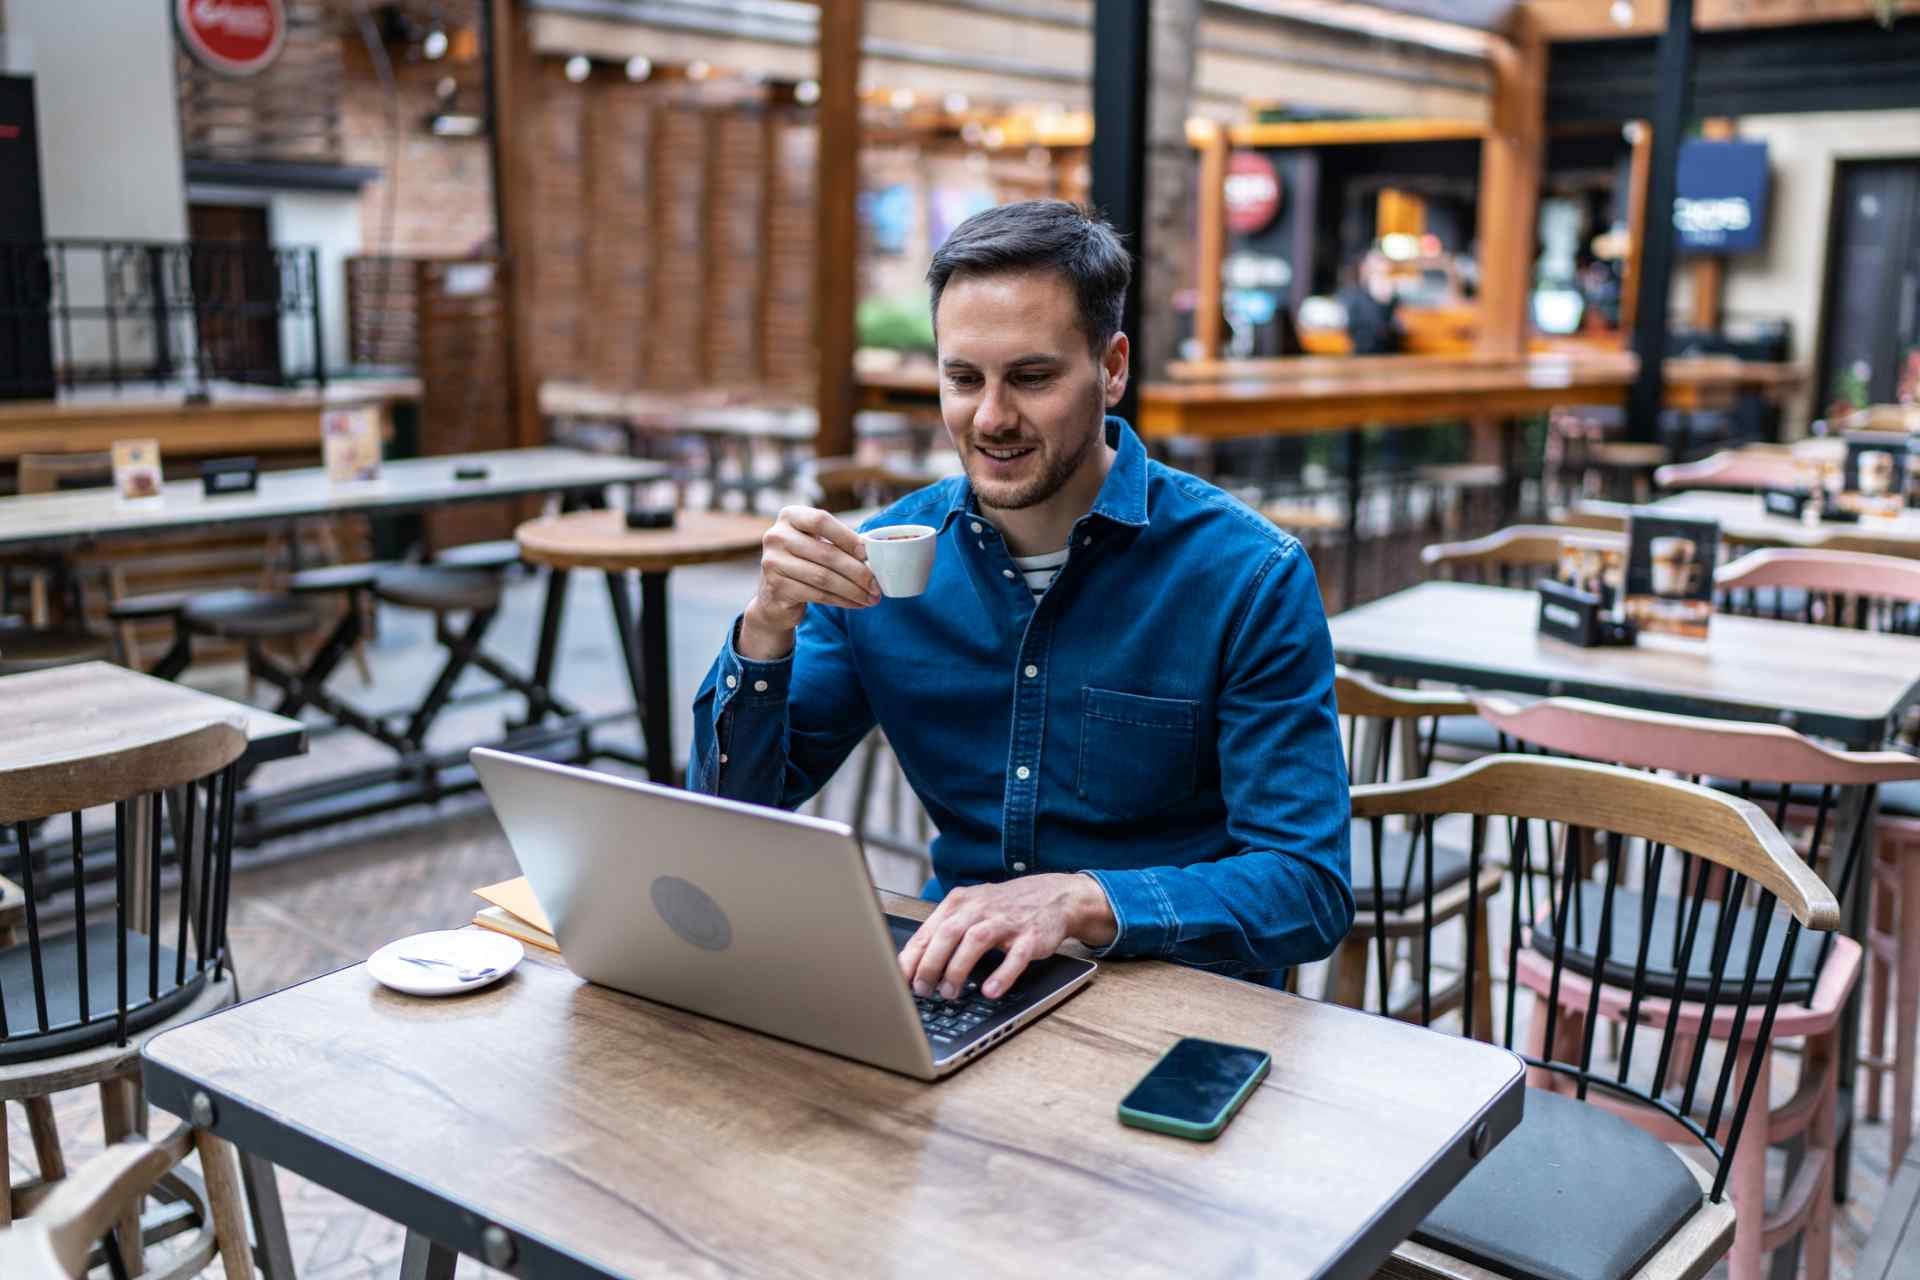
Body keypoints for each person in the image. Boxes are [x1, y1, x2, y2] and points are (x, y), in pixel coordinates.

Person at [688, 200, 1350, 1002]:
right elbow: (731, 823)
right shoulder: (884, 556)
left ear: (1112, 368)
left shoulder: (1247, 575)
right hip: (961, 981)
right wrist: (765, 632)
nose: (991, 418)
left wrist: (1084, 901)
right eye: (963, 379)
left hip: (1181, 1001)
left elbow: (1306, 888)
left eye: (1031, 378)